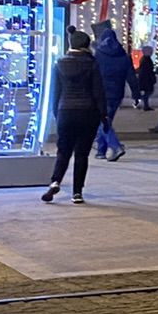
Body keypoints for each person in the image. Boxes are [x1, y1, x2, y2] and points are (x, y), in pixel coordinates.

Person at [43, 28, 107, 205]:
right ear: (86, 46)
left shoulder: (59, 64)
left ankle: (55, 181)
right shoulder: (92, 64)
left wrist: (57, 113)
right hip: (88, 112)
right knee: (81, 154)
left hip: (66, 111)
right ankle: (77, 192)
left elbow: (56, 93)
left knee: (63, 151)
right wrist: (104, 116)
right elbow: (98, 92)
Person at [91, 21, 132, 162]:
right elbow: (131, 75)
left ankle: (114, 145)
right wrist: (137, 94)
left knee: (102, 122)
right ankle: (102, 150)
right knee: (106, 120)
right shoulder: (123, 55)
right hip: (117, 93)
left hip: (101, 93)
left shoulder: (99, 55)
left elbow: (93, 74)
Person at [131, 46, 155, 111]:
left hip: (144, 79)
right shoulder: (147, 60)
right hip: (147, 79)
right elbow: (149, 71)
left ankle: (142, 103)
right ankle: (141, 102)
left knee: (147, 92)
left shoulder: (143, 59)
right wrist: (153, 78)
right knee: (148, 92)